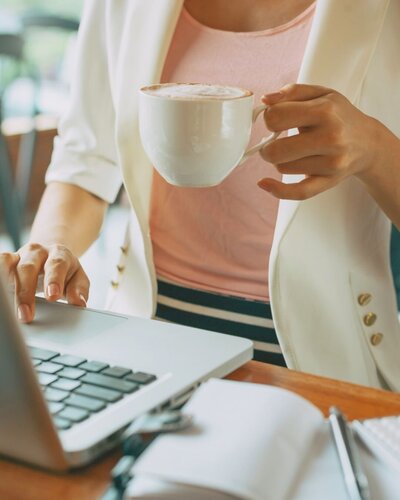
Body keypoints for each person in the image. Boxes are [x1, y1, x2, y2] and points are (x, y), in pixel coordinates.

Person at [1, 0, 400, 389]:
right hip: (143, 347)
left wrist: (375, 150)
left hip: (325, 366)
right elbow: (84, 160)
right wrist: (54, 248)